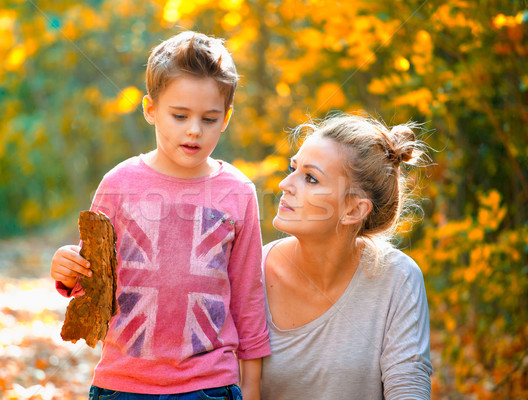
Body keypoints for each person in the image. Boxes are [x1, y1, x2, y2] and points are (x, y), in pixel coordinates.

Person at [50, 31, 270, 400]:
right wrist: (68, 269)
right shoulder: (119, 183)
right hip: (124, 382)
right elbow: (96, 279)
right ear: (151, 109)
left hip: (210, 384)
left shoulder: (239, 191)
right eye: (180, 115)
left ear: (227, 117)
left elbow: (247, 295)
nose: (195, 129)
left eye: (210, 118)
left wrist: (252, 386)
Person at [260, 113, 433, 399]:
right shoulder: (252, 271)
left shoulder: (397, 278)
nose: (285, 185)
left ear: (353, 210)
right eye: (292, 168)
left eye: (310, 178)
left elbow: (408, 387)